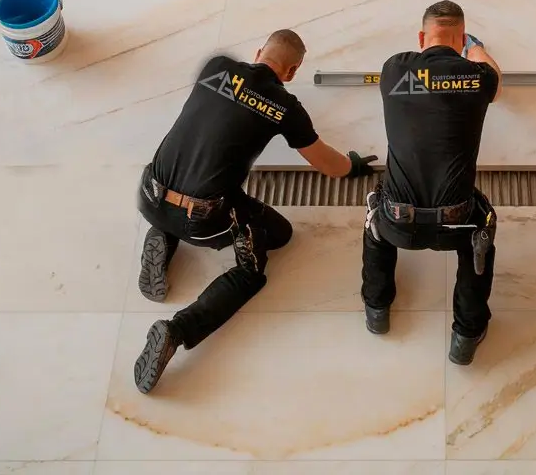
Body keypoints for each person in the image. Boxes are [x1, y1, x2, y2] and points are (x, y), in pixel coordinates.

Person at [133, 29, 376, 393]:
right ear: (292, 71)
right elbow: (328, 164)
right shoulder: (284, 106)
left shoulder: (216, 66)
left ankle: (162, 232)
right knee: (269, 249)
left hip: (148, 194)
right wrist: (353, 165)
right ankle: (177, 329)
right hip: (203, 220)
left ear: (259, 50)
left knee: (193, 168)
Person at [361, 0, 502, 366]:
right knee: (482, 230)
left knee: (374, 218)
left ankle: (376, 309)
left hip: (397, 222)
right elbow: (495, 79)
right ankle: (466, 336)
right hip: (455, 224)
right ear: (460, 39)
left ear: (422, 37)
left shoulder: (394, 69)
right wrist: (478, 49)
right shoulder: (478, 77)